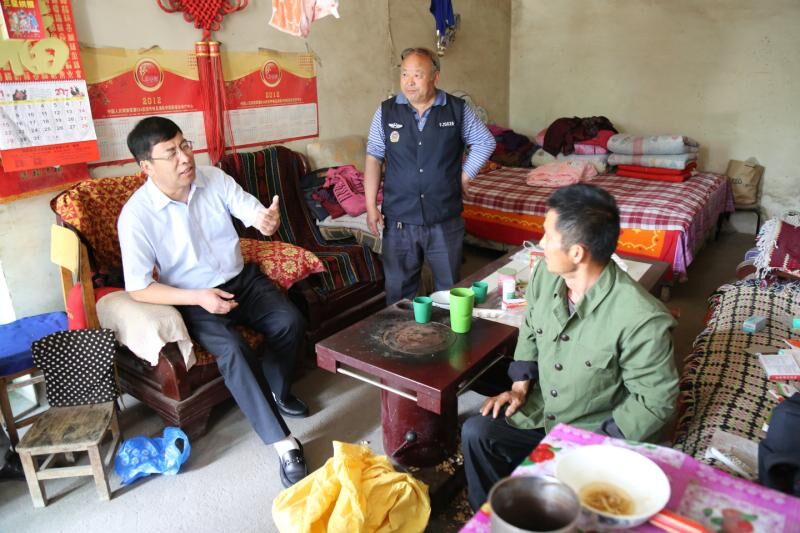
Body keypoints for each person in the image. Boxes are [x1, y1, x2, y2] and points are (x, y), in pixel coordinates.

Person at [461, 183, 679, 510]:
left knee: (569, 505)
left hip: (595, 433)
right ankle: (493, 516)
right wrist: (520, 387)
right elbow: (531, 326)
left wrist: (594, 444)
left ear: (577, 253)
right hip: (542, 410)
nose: (541, 243)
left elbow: (655, 401)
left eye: (548, 236)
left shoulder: (641, 319)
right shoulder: (545, 276)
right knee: (478, 432)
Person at [118, 116, 309, 488]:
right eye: (171, 153)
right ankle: (284, 444)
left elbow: (251, 211)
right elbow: (139, 288)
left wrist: (265, 221)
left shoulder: (213, 179)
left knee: (290, 321)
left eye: (185, 145)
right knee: (234, 350)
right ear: (147, 166)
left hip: (241, 280)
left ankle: (276, 389)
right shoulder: (136, 217)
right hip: (192, 297)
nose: (185, 158)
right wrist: (198, 297)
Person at [364, 47, 496, 304]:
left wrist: (464, 176)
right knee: (399, 295)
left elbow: (484, 141)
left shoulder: (457, 109)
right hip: (400, 220)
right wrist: (370, 205)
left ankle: (447, 331)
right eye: (404, 74)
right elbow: (373, 158)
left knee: (449, 291)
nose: (409, 82)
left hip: (444, 219)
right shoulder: (386, 111)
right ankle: (403, 331)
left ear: (435, 77)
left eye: (417, 75)